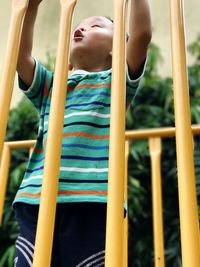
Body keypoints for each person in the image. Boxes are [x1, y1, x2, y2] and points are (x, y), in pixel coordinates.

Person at [13, 0, 152, 266]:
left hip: (93, 200)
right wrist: (30, 8)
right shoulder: (52, 86)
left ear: (117, 50)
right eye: (78, 26)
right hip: (38, 198)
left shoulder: (116, 83)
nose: (82, 29)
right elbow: (20, 57)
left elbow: (142, 35)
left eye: (96, 25)